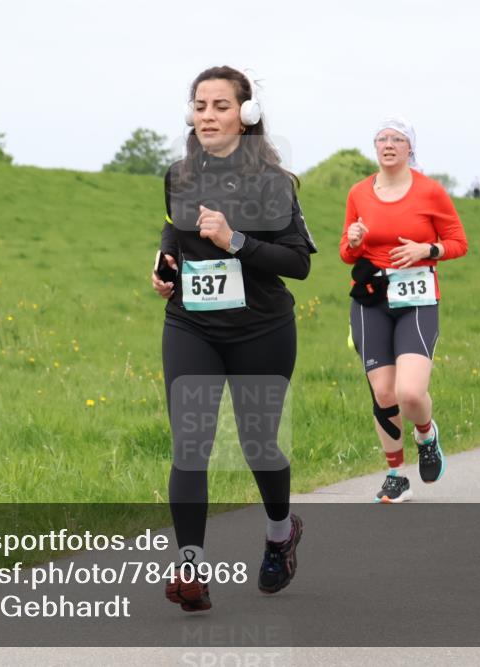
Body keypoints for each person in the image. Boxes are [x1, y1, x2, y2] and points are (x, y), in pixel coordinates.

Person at [151, 65, 317, 611]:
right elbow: (174, 232)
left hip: (261, 330)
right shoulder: (178, 175)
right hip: (191, 324)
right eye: (200, 106)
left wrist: (235, 240)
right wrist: (165, 264)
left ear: (245, 116)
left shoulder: (272, 184)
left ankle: (279, 534)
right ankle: (192, 568)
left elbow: (297, 263)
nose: (207, 116)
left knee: (258, 445)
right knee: (191, 446)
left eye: (220, 106)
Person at [340, 116, 468, 503]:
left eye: (397, 139)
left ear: (410, 148)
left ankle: (426, 435)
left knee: (410, 393)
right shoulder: (359, 193)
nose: (389, 144)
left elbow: (458, 242)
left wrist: (426, 251)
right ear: (375, 148)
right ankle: (396, 473)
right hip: (371, 299)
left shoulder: (430, 192)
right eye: (382, 139)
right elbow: (347, 254)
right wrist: (354, 239)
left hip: (416, 298)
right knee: (383, 393)